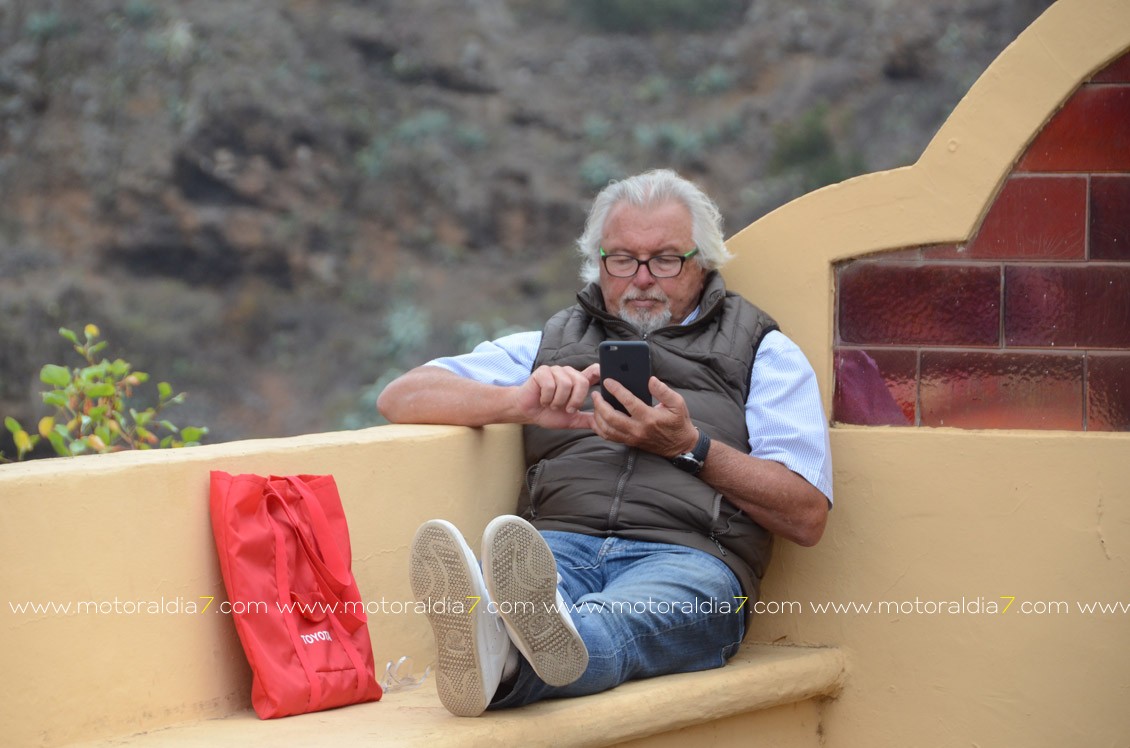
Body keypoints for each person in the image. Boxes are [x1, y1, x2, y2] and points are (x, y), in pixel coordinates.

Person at [377, 168, 832, 717]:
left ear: (703, 262)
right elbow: (402, 396)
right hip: (555, 548)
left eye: (665, 259)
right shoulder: (550, 342)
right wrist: (518, 402)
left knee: (612, 622)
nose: (642, 278)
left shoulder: (764, 351)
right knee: (544, 605)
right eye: (622, 259)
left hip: (690, 559)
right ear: (598, 262)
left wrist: (689, 446)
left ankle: (500, 652)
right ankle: (506, 651)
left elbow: (806, 514)